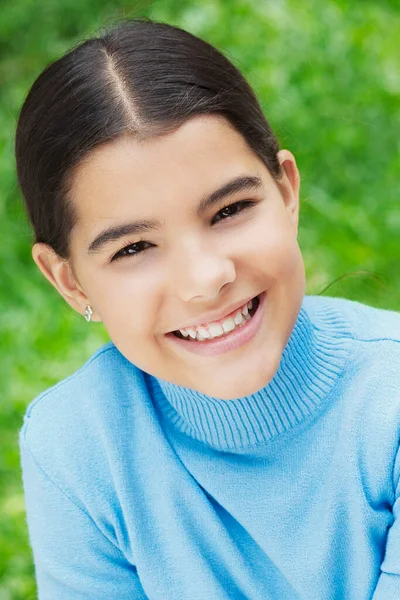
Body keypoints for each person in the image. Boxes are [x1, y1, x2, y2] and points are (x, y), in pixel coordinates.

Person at [15, 17, 400, 600]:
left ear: (287, 192)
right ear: (70, 283)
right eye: (135, 248)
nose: (205, 280)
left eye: (229, 210)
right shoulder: (76, 446)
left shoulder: (387, 405)